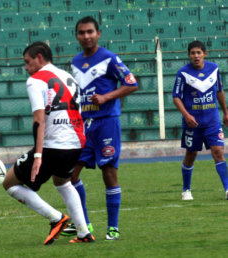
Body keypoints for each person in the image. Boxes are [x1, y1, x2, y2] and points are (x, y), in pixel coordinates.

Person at [3, 41, 95, 244]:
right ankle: (83, 233)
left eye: (28, 62)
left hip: (53, 145)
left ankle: (57, 219)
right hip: (76, 143)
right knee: (62, 181)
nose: (26, 68)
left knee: (9, 183)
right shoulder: (68, 76)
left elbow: (39, 119)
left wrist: (38, 155)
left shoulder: (36, 80)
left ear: (39, 58)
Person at [61, 16, 138, 240]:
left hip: (106, 123)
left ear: (98, 34)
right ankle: (84, 224)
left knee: (109, 173)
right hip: (82, 126)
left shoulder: (109, 58)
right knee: (70, 175)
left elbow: (131, 83)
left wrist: (106, 97)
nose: (86, 36)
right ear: (76, 36)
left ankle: (112, 228)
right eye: (82, 33)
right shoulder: (74, 63)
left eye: (90, 32)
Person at [172, 40, 228, 201]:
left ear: (205, 54)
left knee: (218, 152)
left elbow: (220, 91)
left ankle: (227, 189)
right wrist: (186, 115)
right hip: (193, 123)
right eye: (193, 53)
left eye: (199, 53)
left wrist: (225, 112)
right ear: (189, 55)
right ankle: (186, 190)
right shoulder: (183, 73)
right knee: (191, 154)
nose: (196, 56)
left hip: (212, 121)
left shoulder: (214, 69)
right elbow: (176, 97)